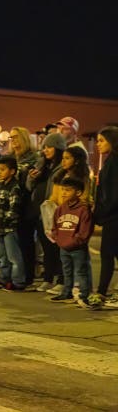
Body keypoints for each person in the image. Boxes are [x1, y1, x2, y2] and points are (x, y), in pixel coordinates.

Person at [0, 127, 38, 284]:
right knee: (7, 249)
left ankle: (25, 277)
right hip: (7, 203)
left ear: (24, 138)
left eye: (16, 137)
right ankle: (7, 276)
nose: (13, 141)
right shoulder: (8, 157)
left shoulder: (33, 158)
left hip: (26, 204)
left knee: (25, 242)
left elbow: (34, 180)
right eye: (11, 138)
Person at [27, 132, 67, 293]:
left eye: (49, 147)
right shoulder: (41, 164)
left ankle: (61, 280)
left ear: (58, 148)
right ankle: (48, 278)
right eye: (44, 147)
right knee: (46, 247)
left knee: (57, 247)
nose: (45, 150)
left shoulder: (62, 166)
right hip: (41, 211)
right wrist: (31, 178)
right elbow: (29, 187)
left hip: (55, 210)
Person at [48, 177, 94, 306]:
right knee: (66, 271)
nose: (63, 193)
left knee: (80, 272)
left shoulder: (83, 210)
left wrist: (74, 242)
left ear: (78, 193)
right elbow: (55, 227)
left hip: (78, 249)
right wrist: (58, 239)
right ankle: (66, 292)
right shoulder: (60, 209)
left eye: (68, 190)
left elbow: (85, 232)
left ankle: (84, 295)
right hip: (63, 247)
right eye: (63, 190)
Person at [0, 157, 27, 291]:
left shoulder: (14, 187)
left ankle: (18, 281)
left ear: (12, 171)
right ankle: (4, 278)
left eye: (3, 170)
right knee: (2, 256)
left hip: (8, 227)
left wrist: (8, 219)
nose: (0, 172)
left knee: (13, 256)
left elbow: (14, 207)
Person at [92, 126, 118, 308]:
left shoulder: (114, 162)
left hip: (114, 216)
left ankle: (101, 292)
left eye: (101, 141)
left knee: (107, 254)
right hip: (111, 215)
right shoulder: (110, 161)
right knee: (111, 254)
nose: (98, 145)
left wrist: (100, 214)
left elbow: (113, 194)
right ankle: (101, 292)